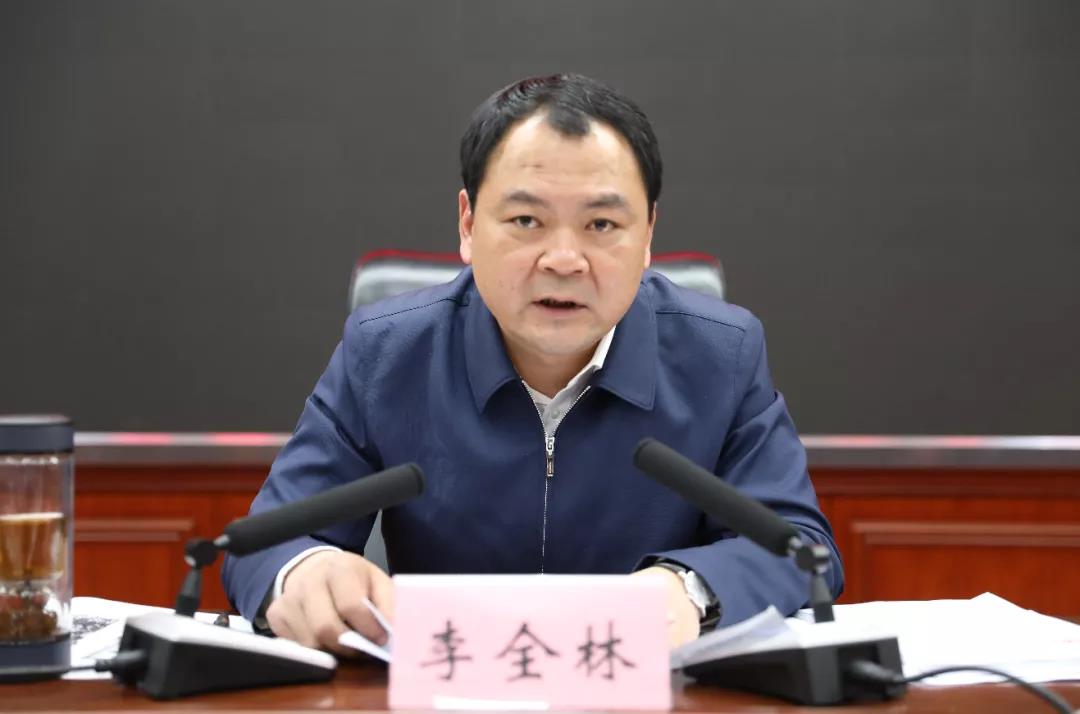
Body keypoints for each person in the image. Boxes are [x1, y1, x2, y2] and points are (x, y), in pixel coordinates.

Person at [222, 73, 843, 655]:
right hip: (447, 687)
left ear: (649, 233)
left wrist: (690, 590)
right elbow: (262, 545)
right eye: (526, 220)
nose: (564, 259)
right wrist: (304, 572)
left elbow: (799, 547)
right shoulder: (385, 352)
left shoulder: (722, 354)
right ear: (468, 224)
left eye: (602, 223)